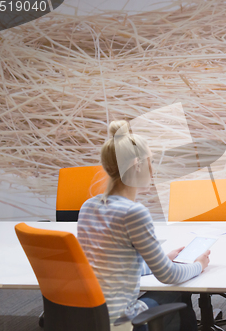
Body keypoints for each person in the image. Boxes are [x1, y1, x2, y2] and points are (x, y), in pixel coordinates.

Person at [77, 120, 210, 331]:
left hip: (87, 317)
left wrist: (163, 259)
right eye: (151, 161)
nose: (152, 168)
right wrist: (199, 265)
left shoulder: (88, 207)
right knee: (181, 289)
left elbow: (109, 265)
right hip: (122, 322)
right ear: (138, 165)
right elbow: (169, 276)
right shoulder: (133, 212)